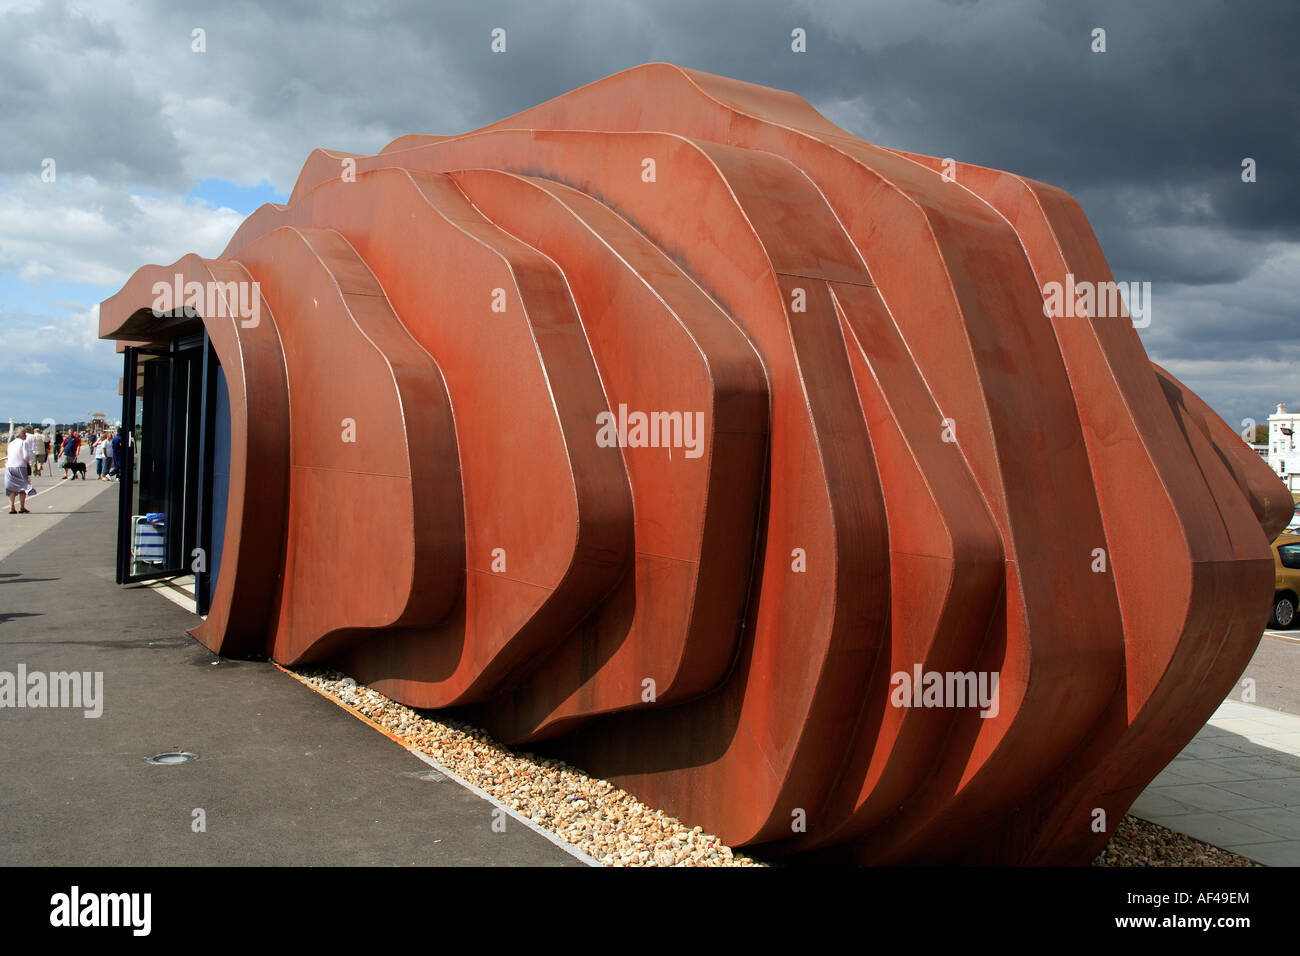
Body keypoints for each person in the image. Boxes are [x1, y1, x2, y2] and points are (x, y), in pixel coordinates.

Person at [6, 427, 37, 513]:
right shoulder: (23, 443)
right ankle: (21, 507)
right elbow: (26, 456)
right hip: (20, 466)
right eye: (24, 434)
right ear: (21, 435)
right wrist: (28, 463)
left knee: (11, 487)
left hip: (10, 466)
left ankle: (11, 507)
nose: (26, 436)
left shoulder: (11, 443)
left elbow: (8, 455)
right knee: (22, 486)